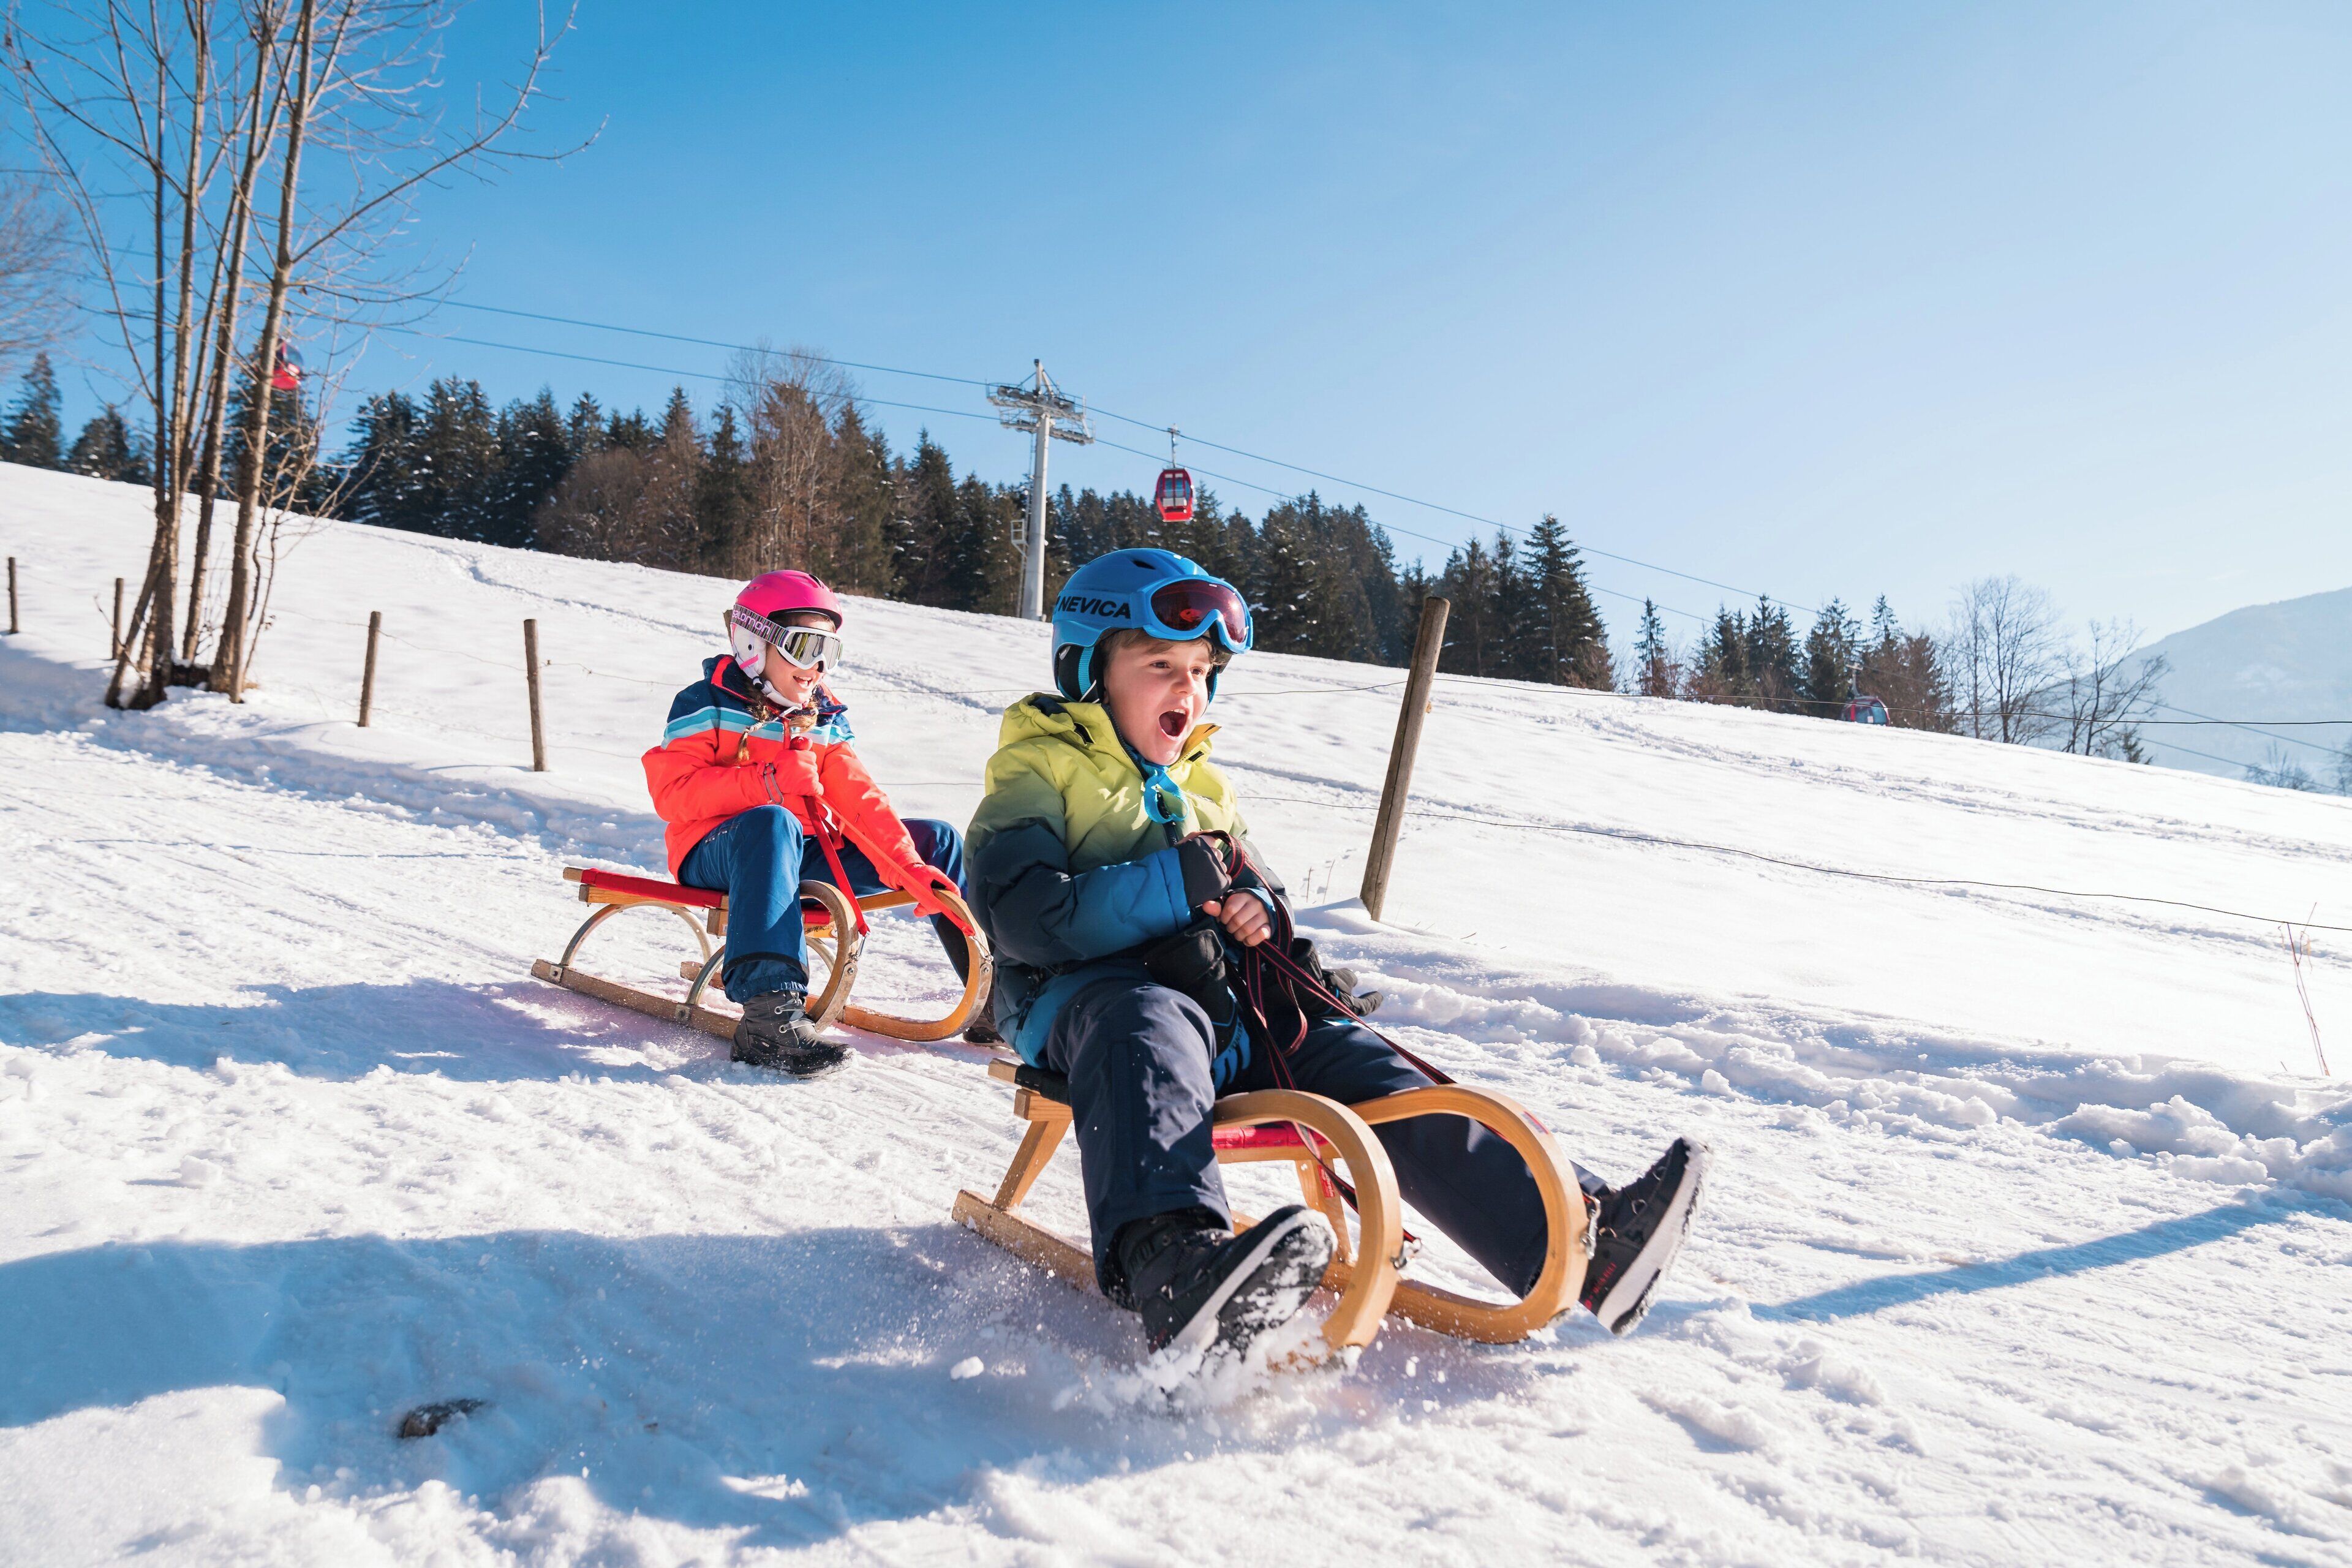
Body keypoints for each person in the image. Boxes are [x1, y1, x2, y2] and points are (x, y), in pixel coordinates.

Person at [965, 548, 1707, 1365]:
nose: (1188, 689)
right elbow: (1023, 916)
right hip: (1084, 1006)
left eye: (1203, 670)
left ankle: (1582, 1238)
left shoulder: (1205, 784)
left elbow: (1261, 887)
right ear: (1088, 670)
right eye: (1160, 665)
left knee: (1367, 1069)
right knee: (1145, 1021)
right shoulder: (1039, 767)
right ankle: (1172, 1266)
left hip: (1226, 1008)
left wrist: (1264, 912)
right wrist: (1176, 881)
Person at [644, 570, 969, 1076]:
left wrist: (907, 864)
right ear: (754, 641)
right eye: (803, 646)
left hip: (797, 851)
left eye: (830, 652)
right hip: (715, 850)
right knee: (772, 822)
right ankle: (768, 1017)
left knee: (935, 839)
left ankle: (996, 998)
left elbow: (860, 800)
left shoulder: (823, 718)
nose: (816, 666)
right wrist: (765, 782)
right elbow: (673, 795)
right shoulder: (704, 701)